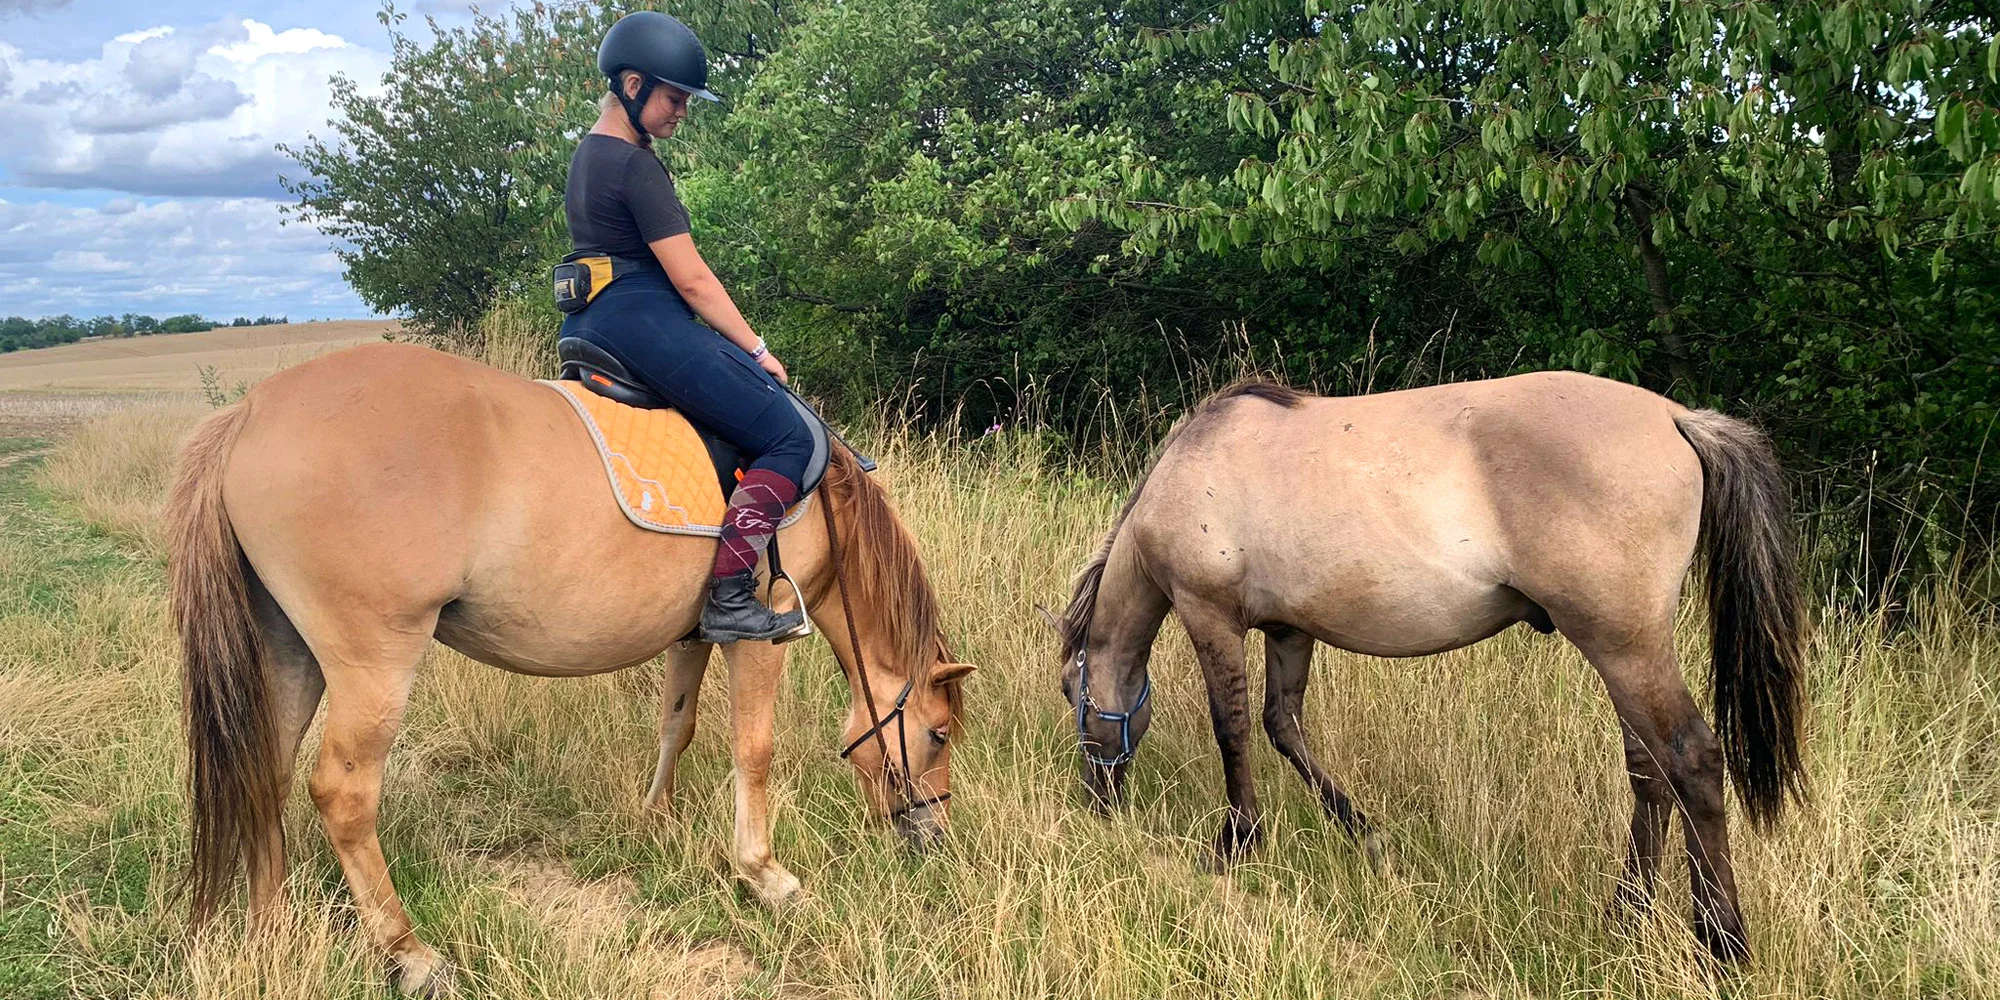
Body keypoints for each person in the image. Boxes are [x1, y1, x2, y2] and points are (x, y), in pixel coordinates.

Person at [561, 10, 811, 643]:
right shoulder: (635, 167)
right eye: (675, 98)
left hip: (594, 318)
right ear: (634, 84)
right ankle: (730, 595)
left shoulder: (588, 155)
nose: (683, 113)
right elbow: (693, 280)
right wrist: (757, 348)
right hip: (644, 321)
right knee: (793, 437)